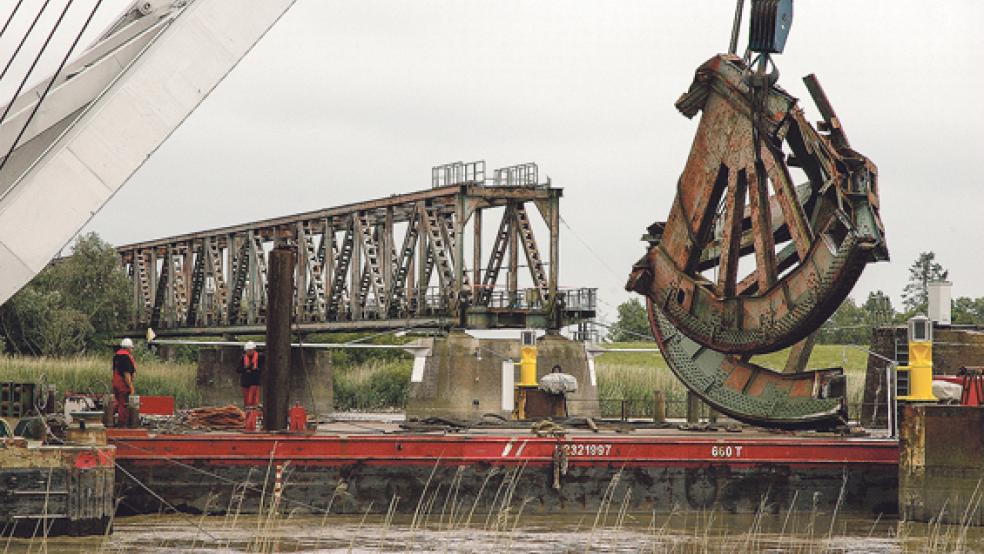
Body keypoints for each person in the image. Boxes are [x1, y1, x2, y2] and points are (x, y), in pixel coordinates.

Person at [112, 338, 136, 426]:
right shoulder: (126, 358)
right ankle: (122, 425)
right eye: (131, 348)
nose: (132, 350)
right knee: (123, 405)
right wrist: (131, 387)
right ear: (128, 348)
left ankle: (107, 419)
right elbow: (126, 374)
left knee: (117, 403)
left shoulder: (116, 356)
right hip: (122, 384)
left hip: (115, 383)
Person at [239, 341, 262, 409]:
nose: (249, 352)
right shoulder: (243, 358)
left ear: (254, 350)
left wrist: (255, 369)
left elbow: (262, 368)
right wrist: (245, 368)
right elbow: (238, 369)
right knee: (247, 401)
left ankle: (254, 414)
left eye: (250, 350)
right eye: (248, 350)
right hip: (245, 382)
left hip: (254, 381)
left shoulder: (260, 357)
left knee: (253, 400)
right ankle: (247, 414)